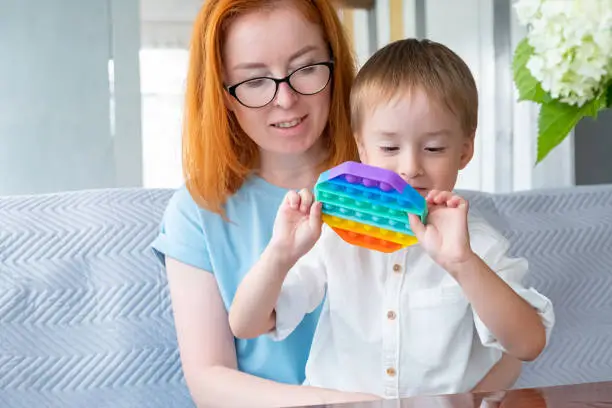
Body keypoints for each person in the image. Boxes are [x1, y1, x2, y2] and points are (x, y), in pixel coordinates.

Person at [229, 38, 556, 399]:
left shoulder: (476, 244)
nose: (410, 168)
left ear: (465, 151)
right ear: (362, 148)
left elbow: (529, 344)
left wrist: (463, 264)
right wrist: (280, 254)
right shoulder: (333, 236)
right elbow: (246, 324)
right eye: (389, 148)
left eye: (433, 148)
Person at [150, 0, 387, 406]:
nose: (286, 99)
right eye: (255, 80)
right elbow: (209, 378)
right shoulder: (199, 210)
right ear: (224, 94)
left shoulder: (386, 182)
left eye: (307, 68)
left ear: (335, 64)